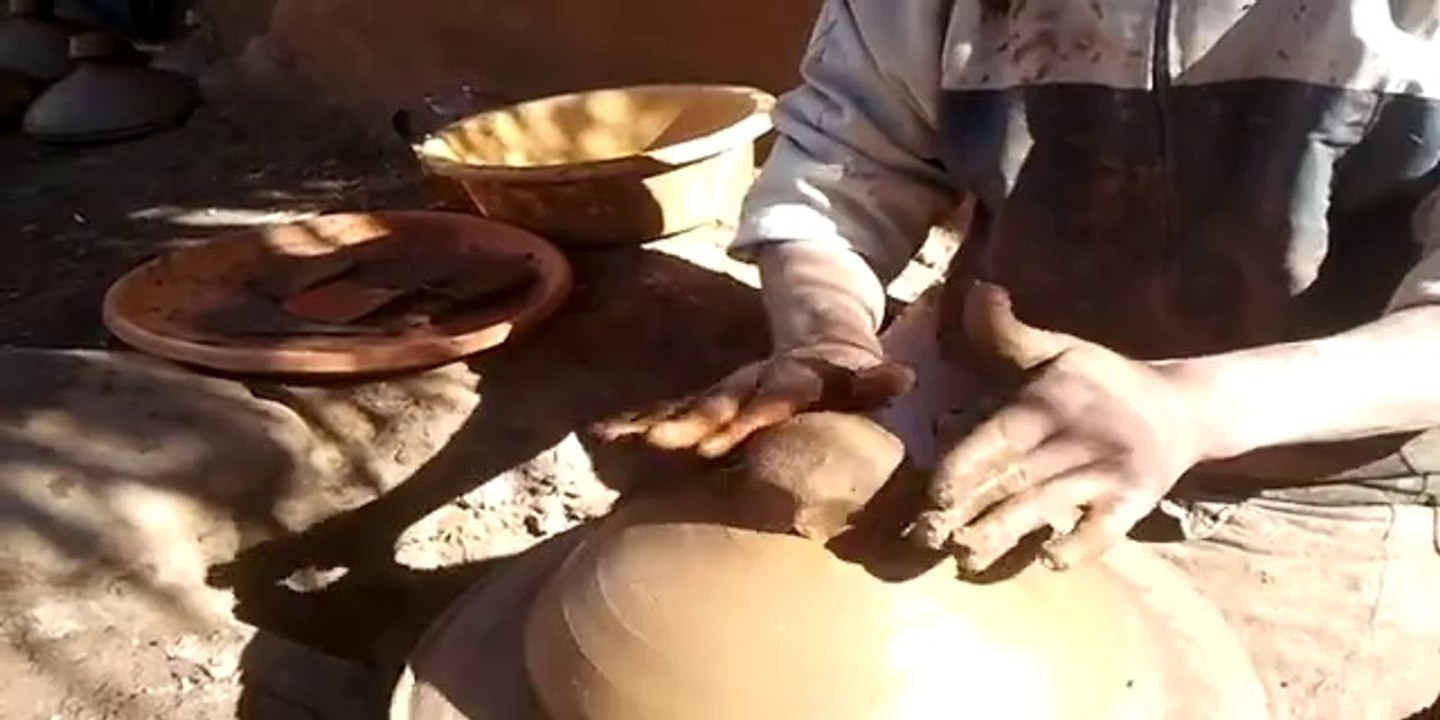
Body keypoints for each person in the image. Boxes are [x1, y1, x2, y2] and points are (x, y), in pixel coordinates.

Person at [596, 1, 1440, 717]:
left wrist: (1193, 407)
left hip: (1318, 475)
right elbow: (841, 167)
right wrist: (827, 333)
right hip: (988, 402)